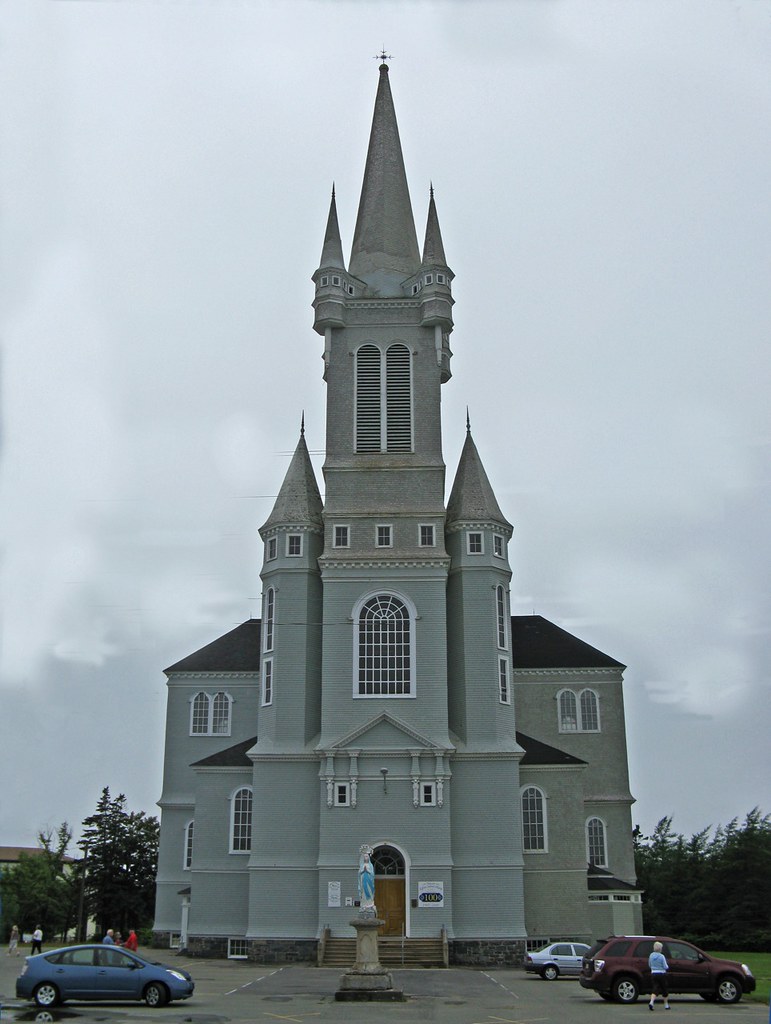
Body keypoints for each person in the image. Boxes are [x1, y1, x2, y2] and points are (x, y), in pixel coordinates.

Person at [648, 940, 670, 1011]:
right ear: (660, 949)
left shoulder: (651, 955)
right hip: (661, 974)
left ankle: (651, 1002)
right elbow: (665, 966)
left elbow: (649, 965)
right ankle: (666, 1005)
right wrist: (667, 967)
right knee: (664, 989)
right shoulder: (662, 956)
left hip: (653, 973)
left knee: (655, 988)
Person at [358, 846, 375, 911]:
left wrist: (367, 871)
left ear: (368, 857)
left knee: (370, 891)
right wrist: (363, 871)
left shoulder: (370, 865)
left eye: (367, 856)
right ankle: (364, 904)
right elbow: (359, 873)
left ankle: (369, 904)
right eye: (364, 856)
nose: (366, 858)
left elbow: (372, 874)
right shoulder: (362, 865)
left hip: (369, 881)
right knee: (363, 893)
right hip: (363, 881)